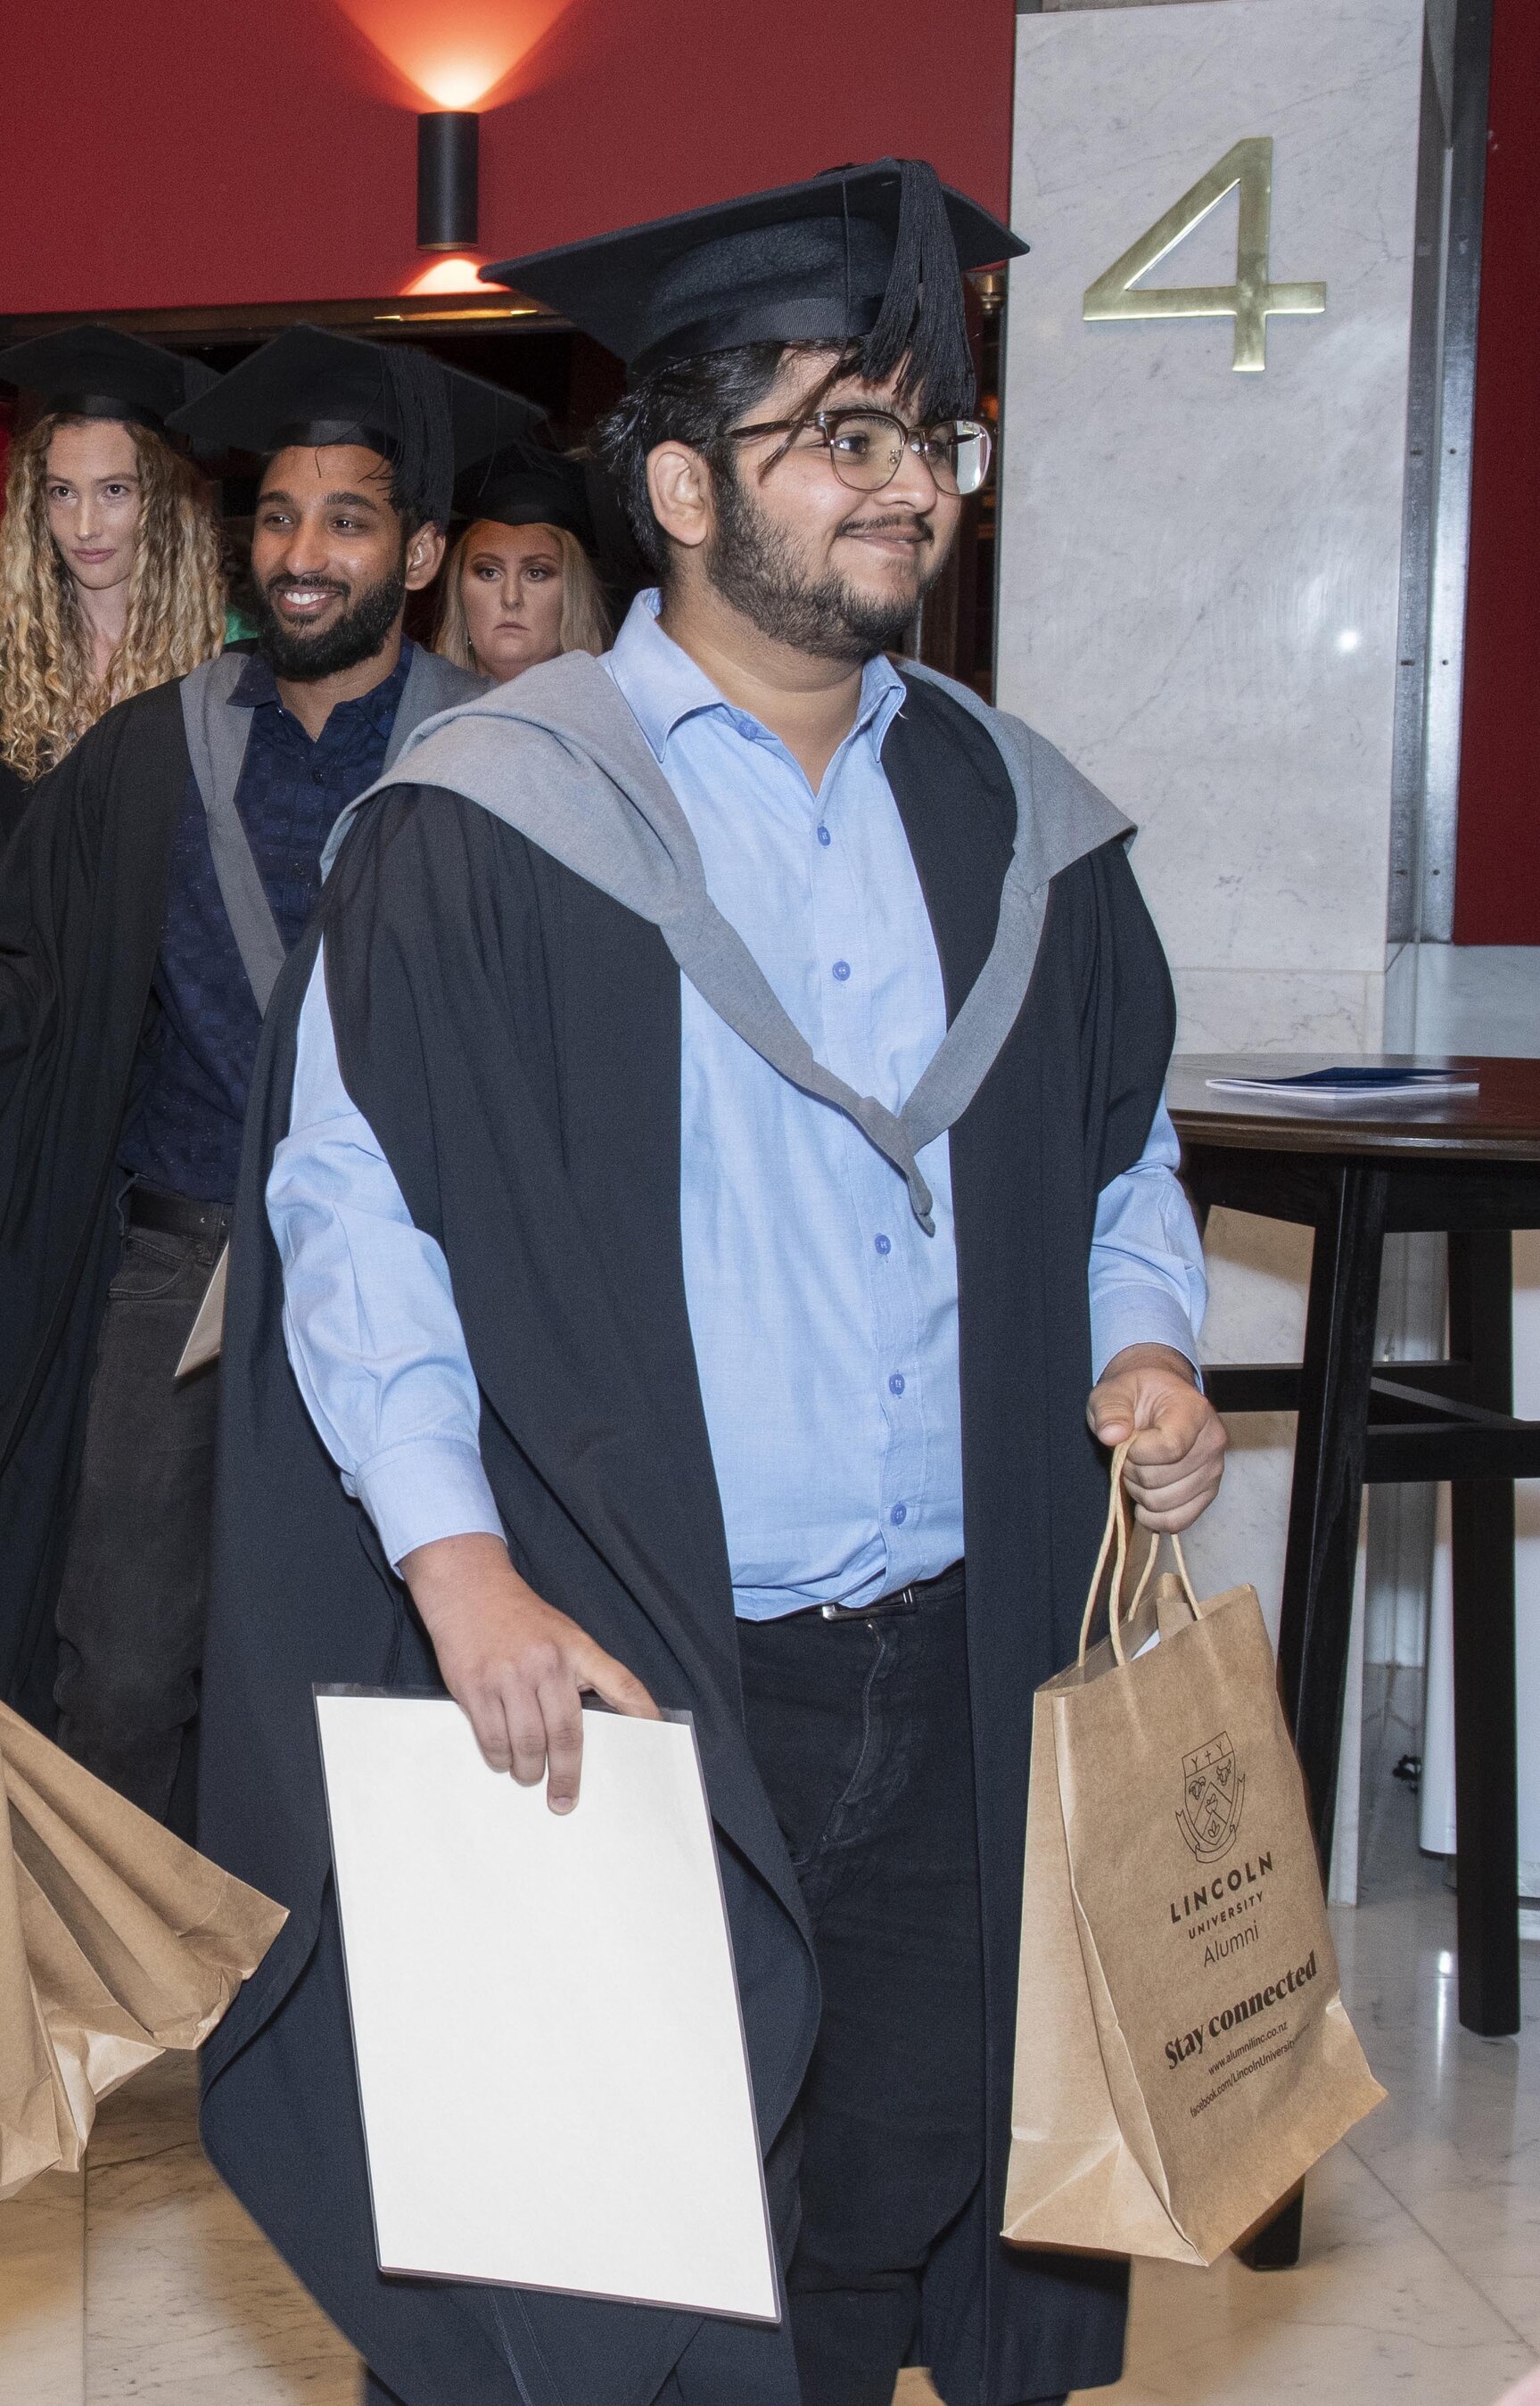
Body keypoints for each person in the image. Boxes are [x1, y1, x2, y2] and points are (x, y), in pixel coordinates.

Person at [198, 163, 1228, 2406]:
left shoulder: (1011, 814)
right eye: (838, 436)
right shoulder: (487, 820)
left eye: (929, 441)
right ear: (678, 483)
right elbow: (349, 1217)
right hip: (639, 1666)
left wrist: (1145, 1330)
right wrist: (454, 1570)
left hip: (952, 1663)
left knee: (891, 2210)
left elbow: (1115, 1142)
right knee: (608, 2266)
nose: (903, 490)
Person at [0, 327, 535, 1819]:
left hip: (412, 1279)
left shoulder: (501, 759)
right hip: (176, 1262)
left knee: (363, 1659)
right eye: (275, 515)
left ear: (415, 554)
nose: (301, 551)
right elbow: (26, 943)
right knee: (121, 1657)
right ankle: (130, 1998)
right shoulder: (158, 747)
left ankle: (324, 2001)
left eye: (344, 518)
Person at [0, 325, 227, 936]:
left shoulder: (233, 666)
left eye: (114, 491)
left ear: (162, 501)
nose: (84, 526)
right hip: (27, 1018)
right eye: (61, 493)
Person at [432, 437, 614, 680]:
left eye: (536, 573)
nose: (511, 598)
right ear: (459, 591)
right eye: (489, 572)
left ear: (574, 593)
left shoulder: (608, 714)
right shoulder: (418, 712)